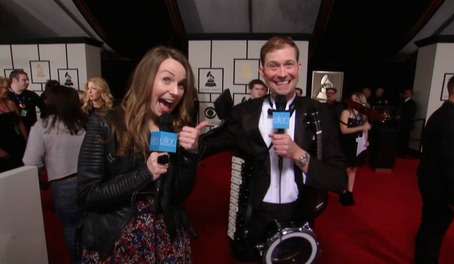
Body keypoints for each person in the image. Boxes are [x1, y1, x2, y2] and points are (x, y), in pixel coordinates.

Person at [200, 36, 346, 262]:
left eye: (288, 64)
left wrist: (298, 154)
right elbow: (207, 146)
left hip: (299, 216)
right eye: (273, 65)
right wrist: (189, 143)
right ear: (262, 70)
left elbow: (339, 180)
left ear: (299, 67)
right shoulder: (244, 113)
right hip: (255, 217)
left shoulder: (319, 112)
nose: (282, 73)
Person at [78, 46, 207, 263]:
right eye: (167, 80)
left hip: (167, 237)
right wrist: (145, 173)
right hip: (119, 238)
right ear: (145, 79)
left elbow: (178, 195)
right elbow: (87, 195)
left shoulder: (172, 127)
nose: (176, 91)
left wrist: (191, 155)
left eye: (182, 85)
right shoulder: (105, 124)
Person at [23, 85, 87, 263]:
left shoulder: (42, 126)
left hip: (63, 184)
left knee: (71, 227)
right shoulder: (82, 123)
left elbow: (31, 161)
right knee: (88, 224)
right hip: (90, 181)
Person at [415, 72, 454, 264]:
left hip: (433, 184)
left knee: (430, 230)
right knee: (433, 232)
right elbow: (451, 163)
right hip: (442, 190)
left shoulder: (445, 114)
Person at [339, 92, 371, 205]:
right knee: (346, 169)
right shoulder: (345, 112)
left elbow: (366, 129)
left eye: (356, 100)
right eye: (352, 100)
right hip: (346, 144)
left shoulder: (364, 114)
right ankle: (343, 191)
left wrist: (366, 140)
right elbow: (343, 130)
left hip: (359, 145)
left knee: (353, 169)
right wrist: (361, 127)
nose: (353, 102)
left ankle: (349, 192)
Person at [0, 76, 27, 172]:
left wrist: (26, 139)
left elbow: (20, 123)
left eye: (7, 87)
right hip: (3, 146)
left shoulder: (10, 103)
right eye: (3, 87)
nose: (6, 90)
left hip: (17, 142)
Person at [396, 88, 416, 156]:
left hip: (406, 124)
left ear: (411, 94)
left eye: (408, 93)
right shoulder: (403, 101)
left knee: (404, 139)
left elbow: (410, 114)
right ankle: (399, 152)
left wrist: (400, 117)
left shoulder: (412, 103)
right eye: (406, 92)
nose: (406, 94)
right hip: (401, 124)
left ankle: (403, 154)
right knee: (400, 139)